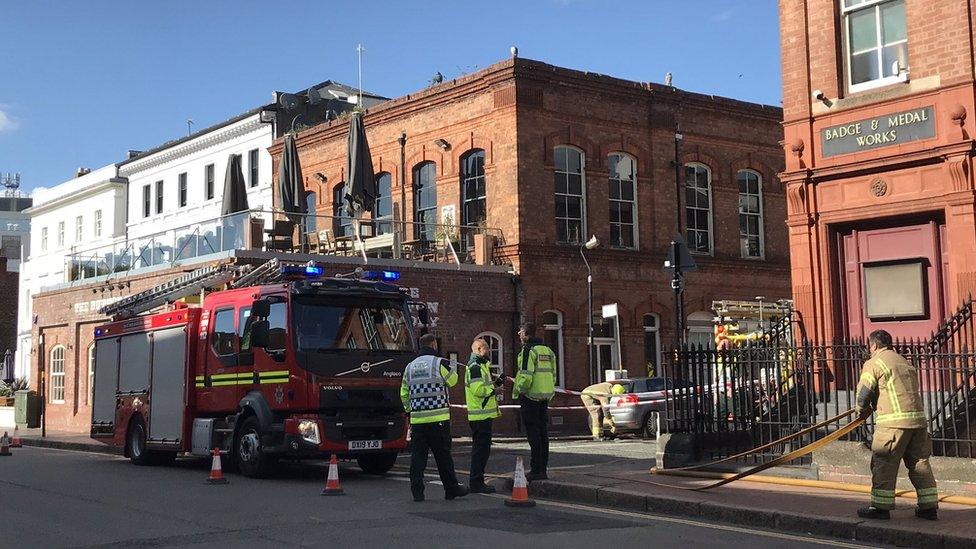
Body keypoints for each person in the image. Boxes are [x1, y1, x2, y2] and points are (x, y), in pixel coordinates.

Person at [855, 330, 938, 521]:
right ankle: (929, 508)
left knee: (883, 463)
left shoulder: (875, 362)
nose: (870, 350)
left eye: (870, 346)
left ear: (874, 345)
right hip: (918, 422)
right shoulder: (904, 361)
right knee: (920, 463)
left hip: (892, 423)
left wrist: (860, 411)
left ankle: (880, 508)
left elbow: (864, 393)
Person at [400, 333, 468, 502]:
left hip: (417, 421)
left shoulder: (409, 367)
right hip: (438, 420)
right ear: (434, 345)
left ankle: (417, 492)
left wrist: (411, 411)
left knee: (417, 458)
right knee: (443, 457)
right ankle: (451, 489)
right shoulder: (438, 363)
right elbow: (453, 381)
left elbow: (403, 393)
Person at [513, 322, 556, 481]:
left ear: (526, 333)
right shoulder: (548, 351)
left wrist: (519, 390)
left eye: (520, 332)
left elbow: (525, 376)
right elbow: (554, 375)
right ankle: (542, 469)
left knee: (533, 435)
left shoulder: (527, 351)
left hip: (530, 397)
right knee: (543, 434)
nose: (519, 335)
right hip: (545, 397)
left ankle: (536, 469)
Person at [465, 338, 504, 493]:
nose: (489, 351)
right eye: (487, 348)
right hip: (479, 416)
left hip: (482, 416)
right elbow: (478, 390)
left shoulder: (481, 366)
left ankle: (477, 481)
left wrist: (497, 383)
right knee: (480, 451)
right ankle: (476, 482)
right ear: (479, 349)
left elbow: (484, 386)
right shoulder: (475, 367)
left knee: (482, 450)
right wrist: (495, 391)